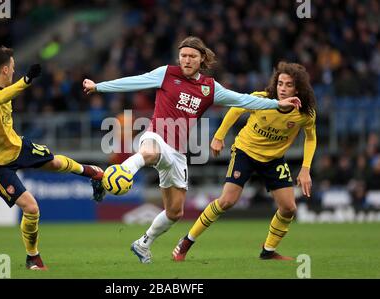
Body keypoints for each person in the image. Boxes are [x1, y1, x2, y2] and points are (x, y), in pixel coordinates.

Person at [83, 37, 301, 264]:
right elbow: (134, 81)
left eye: (192, 56)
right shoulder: (166, 73)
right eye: (183, 55)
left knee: (174, 212)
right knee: (150, 153)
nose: (186, 60)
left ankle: (143, 243)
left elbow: (244, 100)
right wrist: (98, 86)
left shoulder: (210, 88)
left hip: (177, 153)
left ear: (202, 59)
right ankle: (108, 175)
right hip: (156, 135)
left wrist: (277, 104)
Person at [0, 46, 104, 270]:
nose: (14, 72)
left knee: (53, 161)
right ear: (5, 70)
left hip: (15, 145)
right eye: (13, 69)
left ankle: (93, 173)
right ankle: (32, 257)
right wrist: (26, 80)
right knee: (32, 208)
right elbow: (1, 97)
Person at [172, 61, 317, 261]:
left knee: (289, 208)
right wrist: (219, 136)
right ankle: (186, 241)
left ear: (298, 88)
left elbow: (311, 137)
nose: (282, 89)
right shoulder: (263, 100)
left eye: (288, 85)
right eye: (280, 83)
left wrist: (305, 169)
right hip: (245, 152)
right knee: (227, 201)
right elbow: (236, 109)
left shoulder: (304, 113)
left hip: (273, 160)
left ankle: (268, 251)